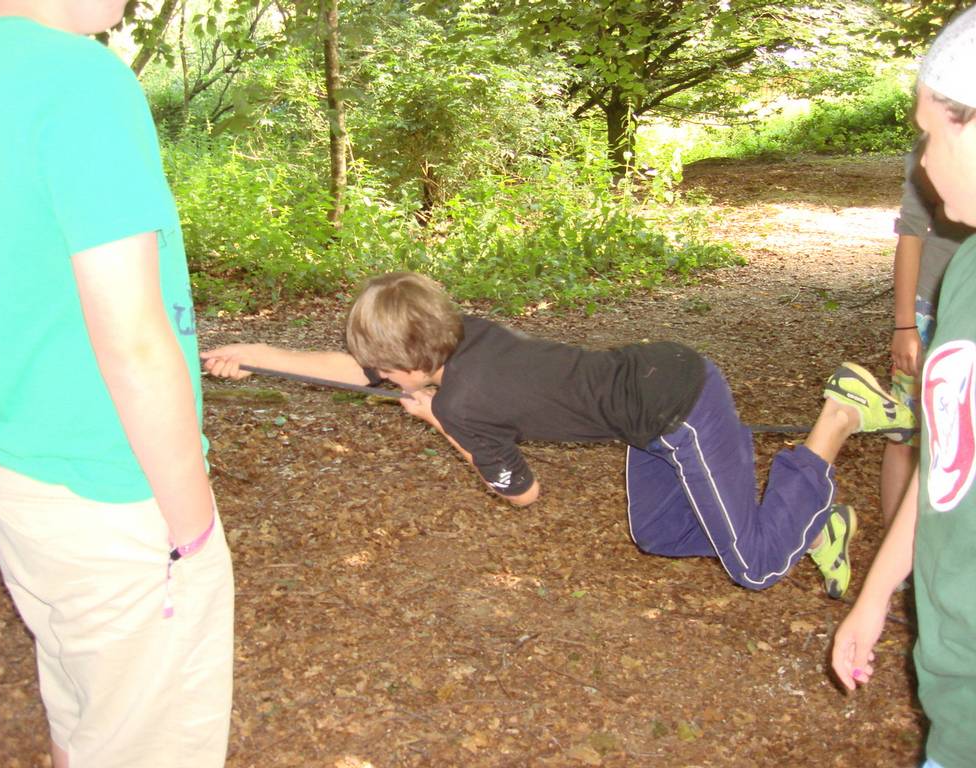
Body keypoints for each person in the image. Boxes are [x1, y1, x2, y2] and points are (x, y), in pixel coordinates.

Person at [204, 272, 913, 597]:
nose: (381, 378)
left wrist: (438, 423)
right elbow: (355, 370)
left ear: (418, 361)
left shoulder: (464, 403)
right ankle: (815, 529)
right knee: (660, 534)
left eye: (390, 370)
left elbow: (524, 493)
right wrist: (254, 353)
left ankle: (839, 415)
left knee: (754, 567)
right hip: (652, 392)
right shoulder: (462, 336)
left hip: (677, 407)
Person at [0, 3, 234, 767]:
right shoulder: (76, 78)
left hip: (10, 463)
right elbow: (133, 336)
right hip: (111, 488)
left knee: (89, 723)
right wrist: (191, 528)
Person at [832, 8, 976, 768]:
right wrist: (878, 594)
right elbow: (948, 469)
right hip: (955, 704)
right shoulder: (968, 281)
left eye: (933, 134)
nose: (923, 164)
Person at [880, 140, 971, 535]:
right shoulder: (933, 147)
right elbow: (911, 233)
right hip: (933, 308)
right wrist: (905, 326)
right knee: (907, 431)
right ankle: (896, 555)